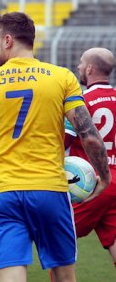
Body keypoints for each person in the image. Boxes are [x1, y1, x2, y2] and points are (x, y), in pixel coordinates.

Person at [0, 11, 110, 282]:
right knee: (64, 275)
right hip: (50, 191)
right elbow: (88, 135)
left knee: (12, 272)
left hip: (4, 193)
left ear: (8, 40)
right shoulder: (62, 77)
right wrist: (105, 175)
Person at [64, 47, 116, 268]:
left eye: (81, 63)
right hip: (114, 182)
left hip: (89, 185)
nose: (78, 67)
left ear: (90, 68)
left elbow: (63, 142)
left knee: (58, 240)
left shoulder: (80, 102)